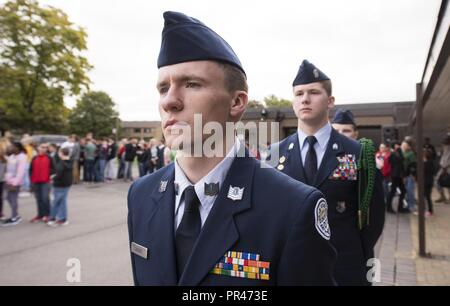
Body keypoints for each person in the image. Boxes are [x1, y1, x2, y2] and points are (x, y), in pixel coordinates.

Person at [127, 11, 336, 286]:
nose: (169, 101)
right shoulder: (141, 195)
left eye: (191, 84)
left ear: (237, 103)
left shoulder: (291, 207)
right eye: (163, 88)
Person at [270, 59, 385, 285]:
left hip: (344, 267)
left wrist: (358, 258)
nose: (305, 99)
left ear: (330, 101)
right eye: (299, 93)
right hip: (292, 268)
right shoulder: (275, 153)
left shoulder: (357, 152)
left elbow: (374, 217)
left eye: (313, 92)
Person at [2, 142, 27, 226]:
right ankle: (15, 215)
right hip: (8, 181)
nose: (11, 148)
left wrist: (14, 183)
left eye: (12, 147)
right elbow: (8, 169)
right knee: (8, 198)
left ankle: (14, 218)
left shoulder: (22, 157)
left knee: (13, 199)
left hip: (15, 182)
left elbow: (20, 172)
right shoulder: (12, 156)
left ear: (18, 148)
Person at [47, 147, 73, 226]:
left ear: (61, 153)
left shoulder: (61, 163)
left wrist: (52, 177)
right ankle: (62, 218)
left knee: (56, 202)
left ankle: (53, 218)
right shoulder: (70, 162)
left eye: (59, 153)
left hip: (60, 184)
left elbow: (59, 175)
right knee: (62, 201)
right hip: (67, 184)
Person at [29, 143, 53, 223]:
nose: (44, 149)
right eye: (42, 147)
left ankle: (48, 215)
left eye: (46, 148)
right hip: (35, 181)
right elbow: (31, 169)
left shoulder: (49, 158)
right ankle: (40, 215)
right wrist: (31, 180)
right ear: (38, 148)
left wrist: (50, 176)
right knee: (38, 199)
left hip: (46, 182)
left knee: (45, 198)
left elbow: (54, 169)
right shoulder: (34, 158)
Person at [387, 140, 407, 213]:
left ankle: (399, 207)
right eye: (398, 145)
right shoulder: (394, 153)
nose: (400, 146)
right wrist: (399, 150)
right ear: (395, 146)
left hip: (398, 175)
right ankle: (389, 207)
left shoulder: (396, 152)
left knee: (402, 191)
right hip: (395, 175)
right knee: (393, 191)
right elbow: (400, 159)